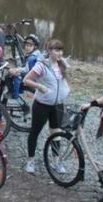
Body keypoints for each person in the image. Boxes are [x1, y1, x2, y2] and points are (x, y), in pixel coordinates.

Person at [23, 39, 70, 174]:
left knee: (56, 133)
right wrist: (40, 86)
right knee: (35, 132)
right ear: (49, 51)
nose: (60, 53)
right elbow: (27, 80)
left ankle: (56, 161)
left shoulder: (62, 65)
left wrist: (66, 90)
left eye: (61, 50)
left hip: (57, 105)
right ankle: (30, 161)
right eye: (56, 50)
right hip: (42, 105)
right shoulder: (41, 65)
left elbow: (62, 82)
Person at [7, 34, 41, 100]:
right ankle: (21, 89)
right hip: (36, 76)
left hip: (33, 78)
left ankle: (15, 95)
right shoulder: (37, 53)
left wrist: (16, 70)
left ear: (35, 47)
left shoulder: (31, 58)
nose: (27, 47)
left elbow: (27, 70)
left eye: (30, 46)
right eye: (26, 45)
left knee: (14, 77)